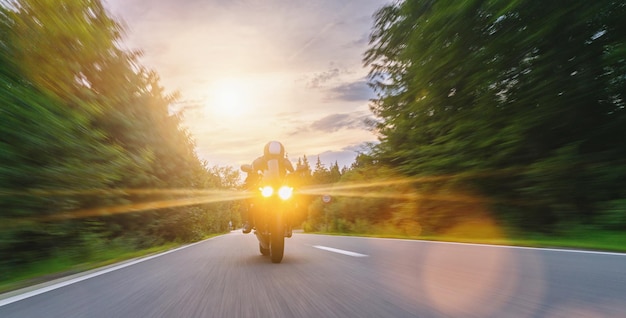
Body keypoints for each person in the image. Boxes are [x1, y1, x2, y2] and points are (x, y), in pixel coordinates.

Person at [241, 141, 294, 234]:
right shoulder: (259, 161)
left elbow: (293, 172)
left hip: (280, 187)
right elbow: (252, 169)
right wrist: (251, 171)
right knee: (249, 197)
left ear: (281, 154)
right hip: (264, 186)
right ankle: (249, 222)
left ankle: (289, 224)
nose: (275, 157)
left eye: (277, 155)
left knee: (293, 199)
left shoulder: (285, 161)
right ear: (267, 153)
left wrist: (295, 174)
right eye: (272, 155)